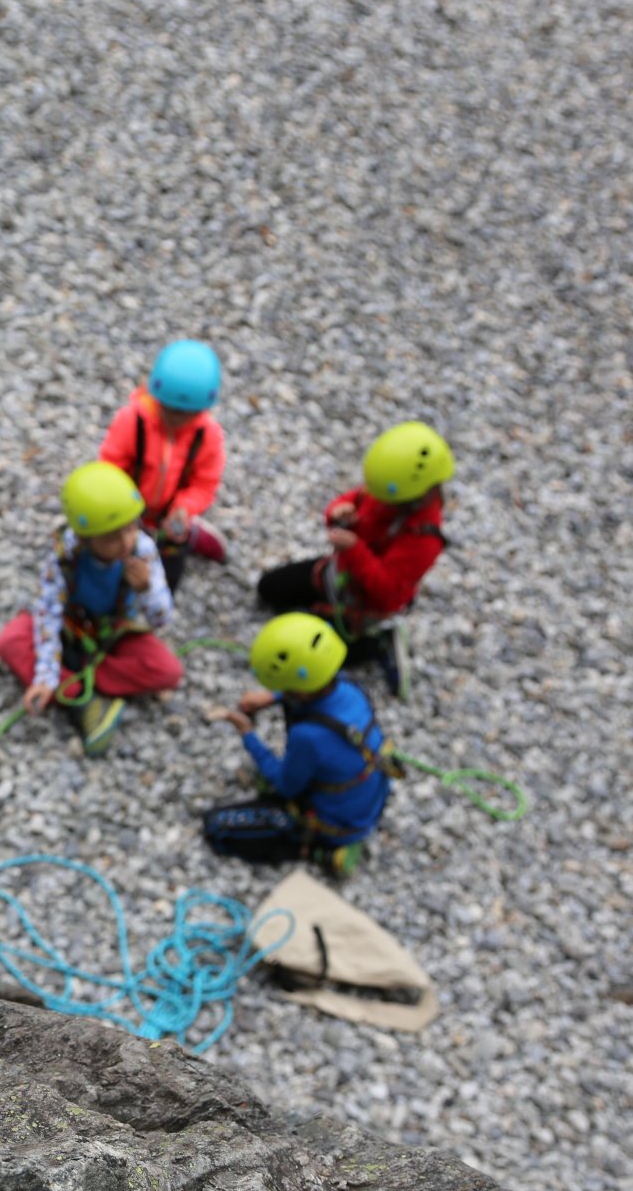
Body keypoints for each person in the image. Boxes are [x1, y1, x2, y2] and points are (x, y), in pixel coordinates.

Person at [0, 461, 183, 756]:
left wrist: (146, 589)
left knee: (168, 671)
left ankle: (73, 686)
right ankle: (81, 698)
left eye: (130, 529)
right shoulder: (64, 557)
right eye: (110, 537)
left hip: (115, 633)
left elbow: (161, 619)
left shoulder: (142, 550)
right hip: (71, 630)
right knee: (9, 641)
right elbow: (48, 614)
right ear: (84, 537)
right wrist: (44, 678)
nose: (124, 543)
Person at [254, 421, 452, 697]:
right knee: (269, 589)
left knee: (311, 656)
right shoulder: (389, 489)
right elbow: (354, 499)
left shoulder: (424, 539)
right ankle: (326, 610)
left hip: (367, 602)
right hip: (336, 574)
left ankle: (377, 642)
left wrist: (354, 549)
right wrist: (337, 513)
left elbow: (384, 589)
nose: (376, 499)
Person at [202, 613, 395, 878]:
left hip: (339, 825)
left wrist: (248, 735)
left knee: (217, 827)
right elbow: (308, 693)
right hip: (368, 801)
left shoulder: (309, 736)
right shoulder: (350, 687)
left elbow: (286, 787)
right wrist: (271, 698)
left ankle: (320, 852)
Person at [97, 339, 228, 595]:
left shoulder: (208, 435)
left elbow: (205, 484)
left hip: (170, 515)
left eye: (185, 414)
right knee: (115, 562)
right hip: (129, 508)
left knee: (167, 578)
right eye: (168, 409)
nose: (175, 419)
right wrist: (123, 506)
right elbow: (110, 468)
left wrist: (184, 508)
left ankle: (193, 534)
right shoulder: (131, 421)